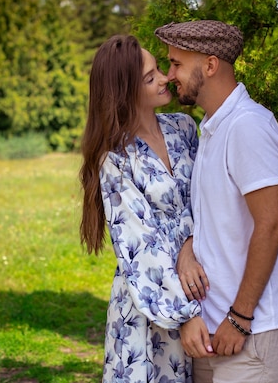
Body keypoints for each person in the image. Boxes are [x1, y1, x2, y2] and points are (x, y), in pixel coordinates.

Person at [154, 20, 278, 382]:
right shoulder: (212, 130)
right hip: (214, 332)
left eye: (177, 64)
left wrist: (240, 317)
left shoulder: (247, 126)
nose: (169, 74)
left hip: (253, 333)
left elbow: (271, 226)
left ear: (210, 65)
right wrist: (188, 247)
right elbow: (217, 221)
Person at [79, 34, 209, 382]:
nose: (165, 78)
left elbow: (210, 203)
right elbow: (141, 245)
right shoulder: (116, 160)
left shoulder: (184, 129)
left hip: (201, 291)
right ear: (125, 93)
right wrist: (186, 314)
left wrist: (188, 244)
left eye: (158, 70)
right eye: (150, 78)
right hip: (148, 305)